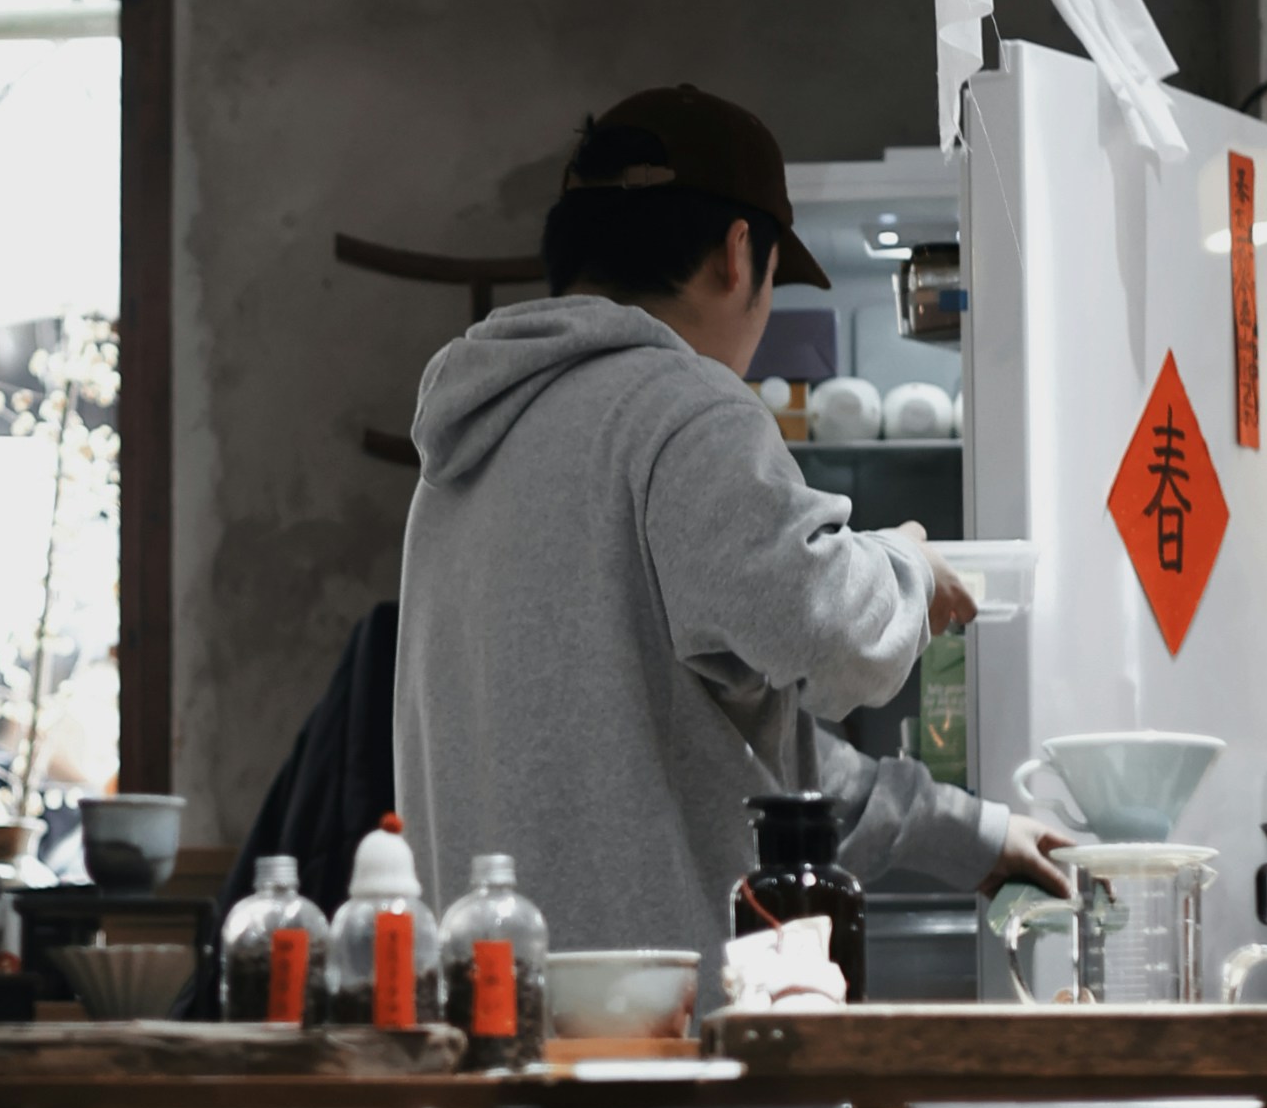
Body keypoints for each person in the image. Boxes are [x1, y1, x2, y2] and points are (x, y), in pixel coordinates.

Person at [393, 79, 1072, 995]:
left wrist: (978, 836)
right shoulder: (683, 407)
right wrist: (908, 566)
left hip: (498, 1026)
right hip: (662, 1039)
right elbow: (830, 635)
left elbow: (742, 760)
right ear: (738, 250)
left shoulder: (467, 445)